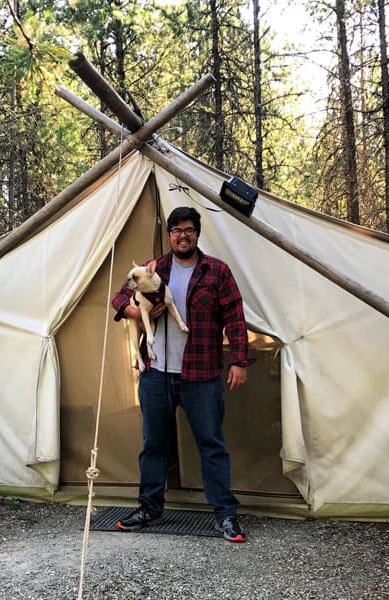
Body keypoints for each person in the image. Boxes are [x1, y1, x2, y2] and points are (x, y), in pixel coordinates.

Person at [112, 206, 249, 543]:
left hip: (201, 375)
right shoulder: (153, 269)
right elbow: (118, 296)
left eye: (189, 230)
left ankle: (225, 515)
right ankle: (149, 507)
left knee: (212, 446)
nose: (183, 235)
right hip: (156, 374)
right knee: (153, 445)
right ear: (170, 235)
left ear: (197, 234)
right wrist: (129, 309)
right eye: (176, 230)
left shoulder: (217, 271)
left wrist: (239, 361)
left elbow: (234, 315)